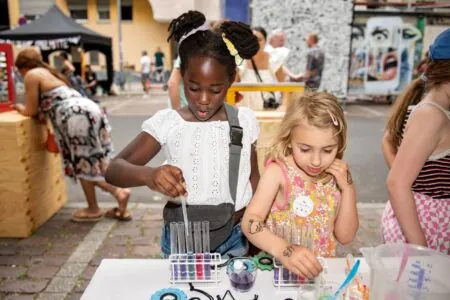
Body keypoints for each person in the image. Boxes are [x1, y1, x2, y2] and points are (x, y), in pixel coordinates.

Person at [105, 11, 261, 257]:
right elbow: (113, 170)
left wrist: (257, 233)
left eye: (215, 89)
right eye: (193, 88)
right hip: (182, 241)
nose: (203, 100)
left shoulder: (244, 121)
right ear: (182, 79)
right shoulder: (169, 123)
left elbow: (254, 179)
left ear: (231, 80)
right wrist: (149, 175)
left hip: (236, 235)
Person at [242, 91, 359, 279]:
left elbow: (345, 236)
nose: (316, 161)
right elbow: (250, 222)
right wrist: (284, 250)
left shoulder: (339, 176)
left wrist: (348, 188)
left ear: (340, 144)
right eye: (305, 149)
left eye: (328, 150)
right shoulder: (278, 172)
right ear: (289, 140)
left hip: (319, 275)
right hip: (278, 274)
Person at [13, 48, 131, 223]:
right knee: (95, 160)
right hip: (89, 110)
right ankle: (104, 202)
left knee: (82, 163)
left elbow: (30, 110)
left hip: (74, 116)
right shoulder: (50, 73)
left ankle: (111, 197)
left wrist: (18, 108)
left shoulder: (32, 75)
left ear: (22, 67)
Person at [381, 28, 450, 254]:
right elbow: (397, 183)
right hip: (425, 230)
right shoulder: (431, 115)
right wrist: (419, 247)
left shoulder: (435, 109)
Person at [236, 26, 290, 110]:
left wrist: (283, 106)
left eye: (259, 39)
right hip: (245, 109)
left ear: (265, 41)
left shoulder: (273, 60)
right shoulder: (241, 61)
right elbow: (234, 87)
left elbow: (283, 85)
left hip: (268, 110)